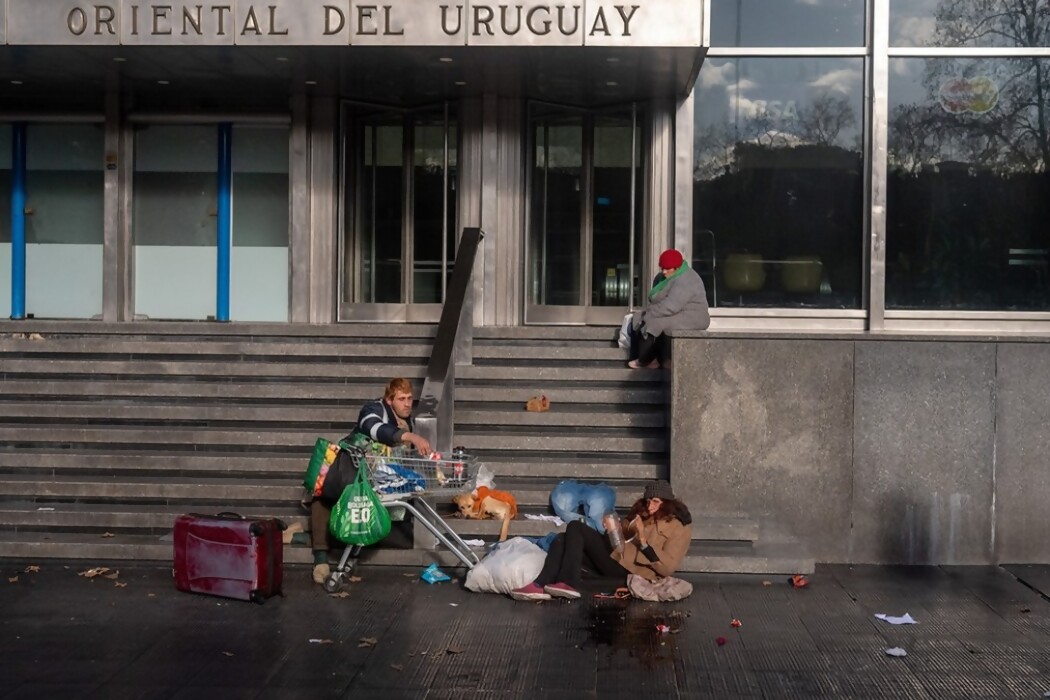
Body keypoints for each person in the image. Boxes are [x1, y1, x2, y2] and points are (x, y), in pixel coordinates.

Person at [310, 377, 432, 584]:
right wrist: (411, 437)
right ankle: (321, 559)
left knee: (367, 506)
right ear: (389, 399)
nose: (407, 403)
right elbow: (372, 427)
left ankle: (352, 556)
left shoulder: (405, 419)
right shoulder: (373, 408)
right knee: (324, 497)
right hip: (348, 467)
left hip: (374, 474)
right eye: (401, 399)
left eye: (410, 398)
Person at [510, 480, 692, 601]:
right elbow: (619, 544)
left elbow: (667, 568)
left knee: (575, 525)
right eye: (649, 501)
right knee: (561, 539)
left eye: (656, 502)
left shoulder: (679, 527)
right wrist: (613, 530)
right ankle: (539, 584)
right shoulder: (642, 514)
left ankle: (569, 583)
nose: (650, 506)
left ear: (667, 503)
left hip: (632, 572)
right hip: (615, 558)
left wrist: (643, 540)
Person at [627, 248, 710, 369]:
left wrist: (651, 313)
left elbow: (671, 306)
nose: (664, 272)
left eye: (667, 269)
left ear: (676, 268)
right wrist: (647, 314)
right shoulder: (664, 278)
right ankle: (658, 358)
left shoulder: (687, 279)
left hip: (692, 316)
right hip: (677, 312)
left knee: (655, 323)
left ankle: (646, 360)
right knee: (639, 317)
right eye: (662, 268)